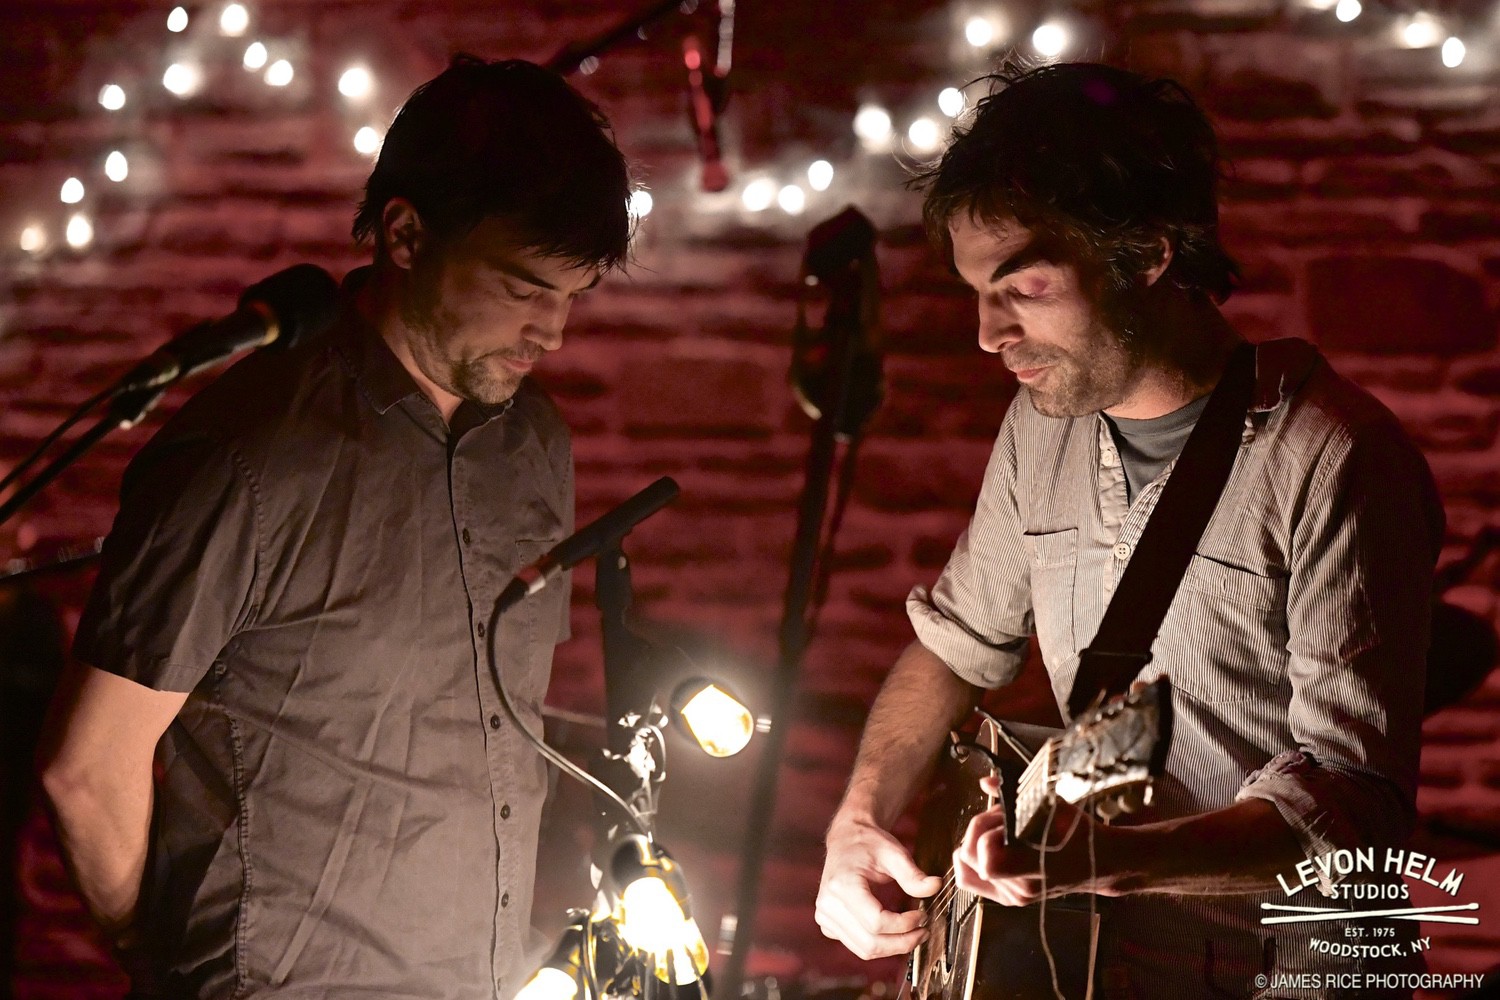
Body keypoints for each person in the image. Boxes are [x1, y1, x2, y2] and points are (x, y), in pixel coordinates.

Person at [815, 63, 1444, 999]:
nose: (988, 334)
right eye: (975, 293)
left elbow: (1354, 808)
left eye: (1024, 287)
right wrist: (858, 821)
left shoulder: (1338, 454)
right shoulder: (1039, 431)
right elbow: (954, 644)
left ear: (1147, 252)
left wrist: (1108, 863)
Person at [37, 55, 631, 999]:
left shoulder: (535, 444)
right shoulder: (250, 452)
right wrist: (165, 964)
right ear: (406, 234)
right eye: (524, 290)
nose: (553, 331)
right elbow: (85, 767)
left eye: (574, 296)